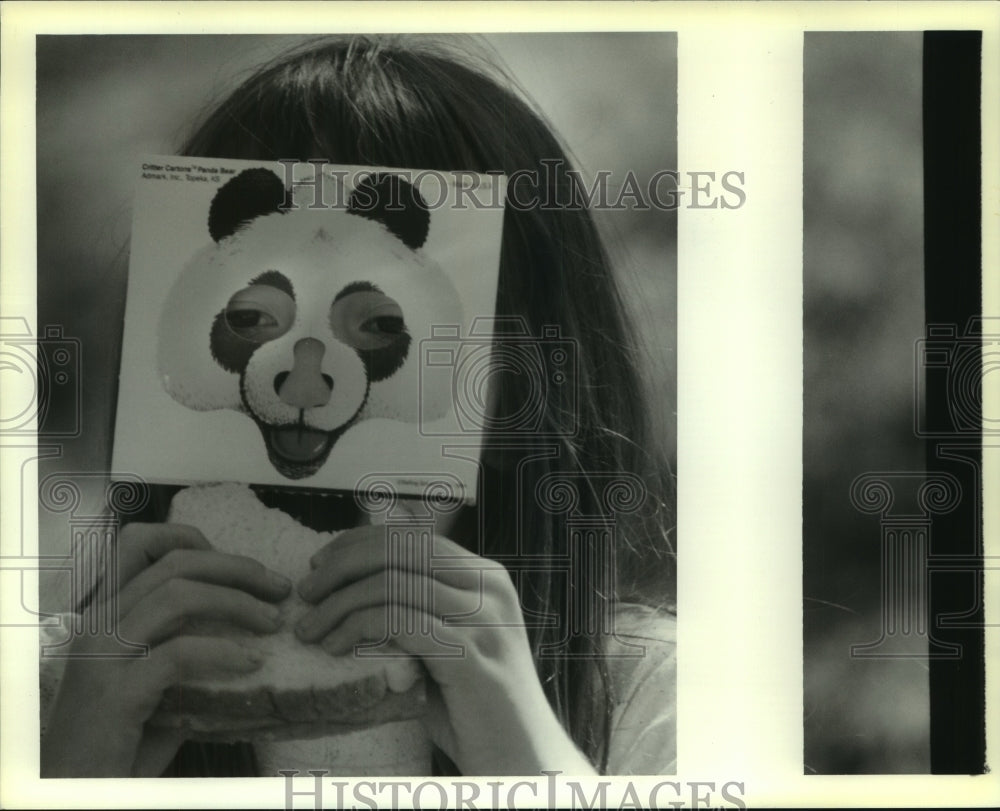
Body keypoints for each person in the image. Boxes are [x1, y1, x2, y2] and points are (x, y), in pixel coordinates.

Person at [40, 35, 676, 778]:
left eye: (379, 325)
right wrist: (74, 768)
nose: (305, 387)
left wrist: (530, 762)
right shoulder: (55, 697)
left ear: (527, 388)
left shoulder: (655, 703)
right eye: (250, 321)